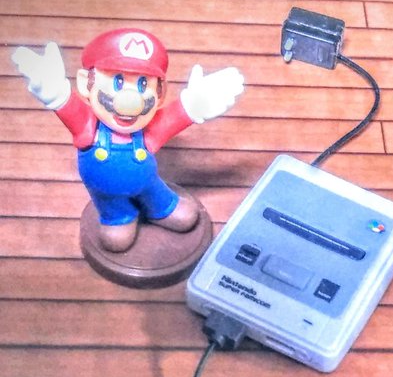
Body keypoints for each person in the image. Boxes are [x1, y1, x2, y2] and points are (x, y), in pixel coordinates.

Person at [12, 28, 244, 252]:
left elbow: (177, 115)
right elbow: (67, 106)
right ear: (85, 83)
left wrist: (194, 104)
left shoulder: (148, 130)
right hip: (107, 195)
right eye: (118, 82)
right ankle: (119, 216)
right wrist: (55, 91)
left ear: (160, 94)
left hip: (149, 185)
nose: (131, 101)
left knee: (184, 216)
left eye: (143, 85)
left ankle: (161, 207)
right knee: (117, 240)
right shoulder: (88, 127)